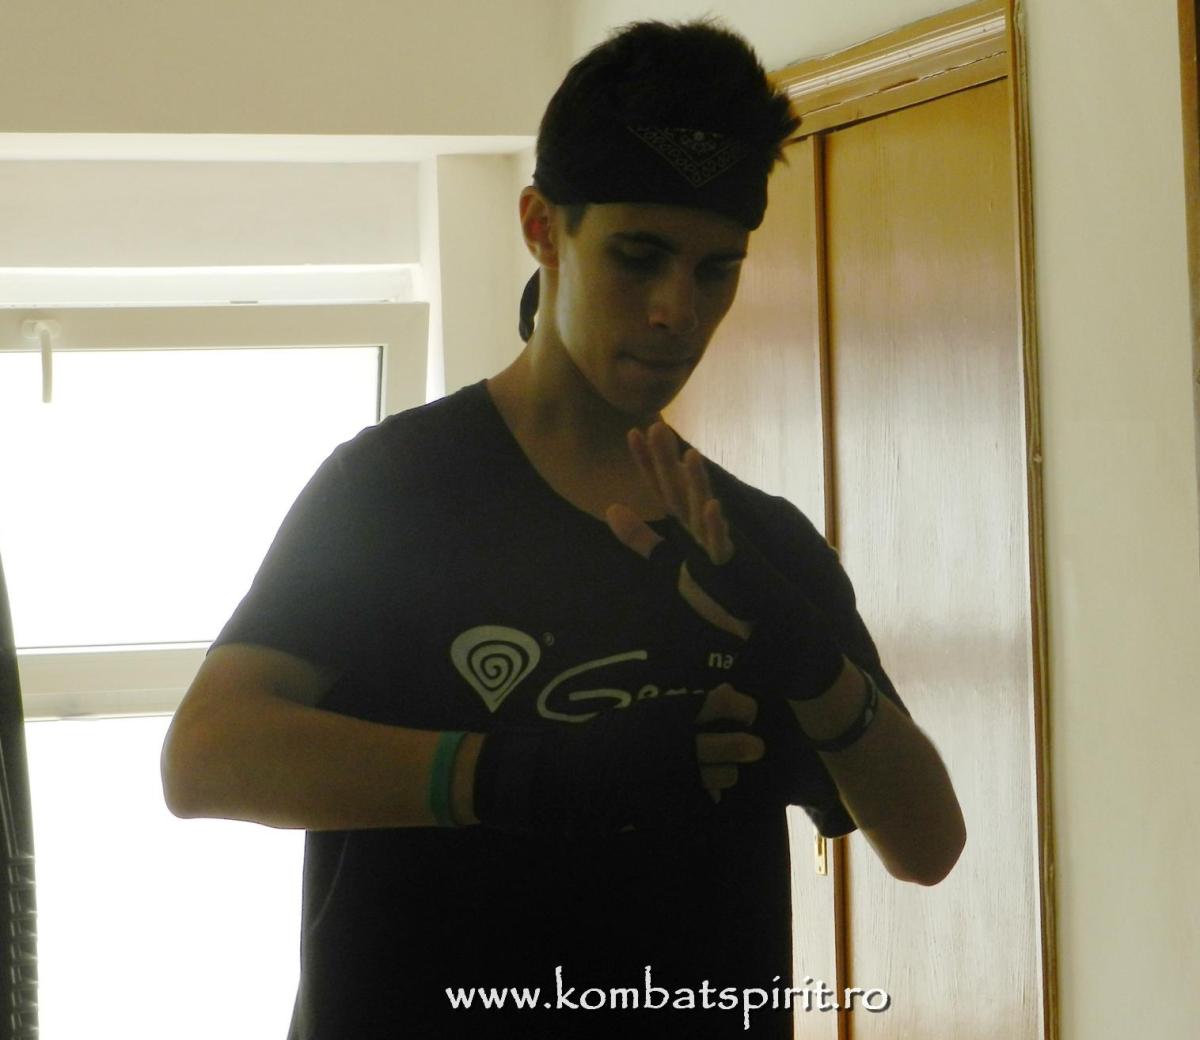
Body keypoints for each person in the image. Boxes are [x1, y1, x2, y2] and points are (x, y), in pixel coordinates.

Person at [161, 19, 965, 1039]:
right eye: (639, 257)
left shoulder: (754, 541)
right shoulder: (395, 489)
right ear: (543, 227)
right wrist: (526, 774)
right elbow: (206, 757)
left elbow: (927, 846)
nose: (677, 310)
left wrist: (816, 662)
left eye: (715, 270)